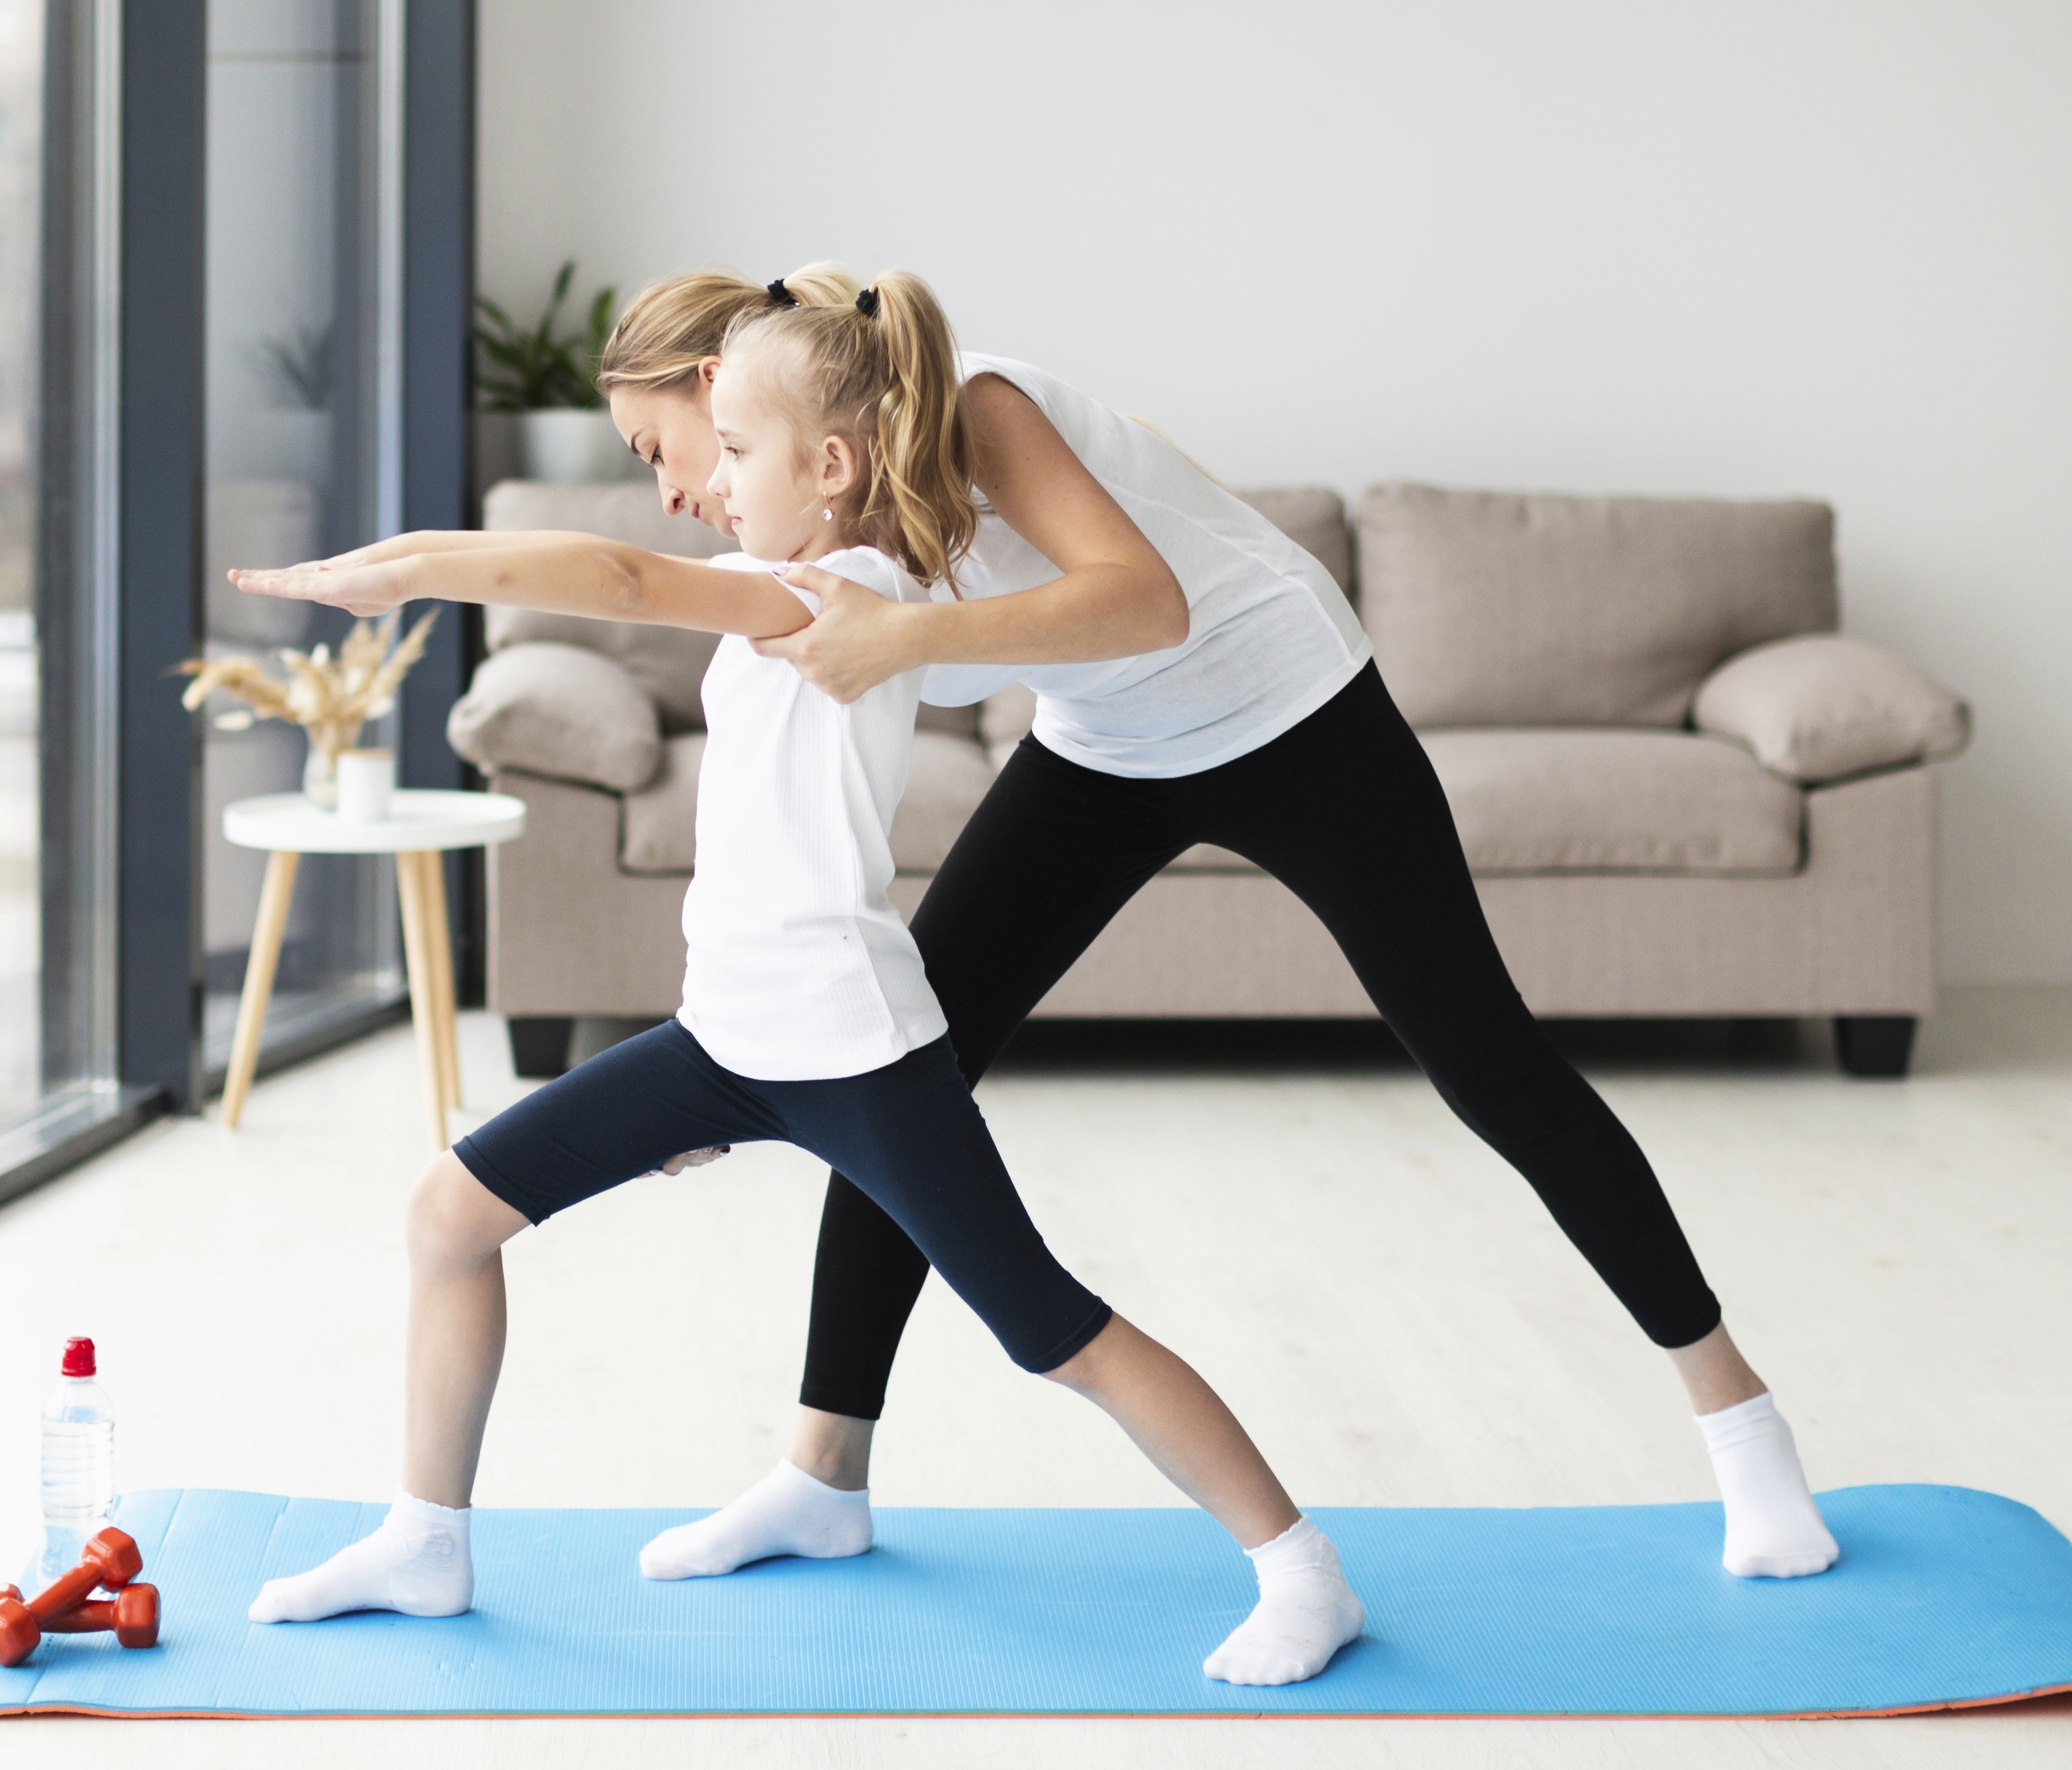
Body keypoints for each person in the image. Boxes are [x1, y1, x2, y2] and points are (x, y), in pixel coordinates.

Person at [588, 265, 1838, 1587]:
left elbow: (1146, 601)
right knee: (905, 1062)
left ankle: (1743, 1431)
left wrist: (898, 640)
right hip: (1108, 744)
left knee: (1487, 1063)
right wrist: (749, 1059)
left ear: (724, 384)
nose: (674, 490)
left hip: (1291, 711)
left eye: (661, 446)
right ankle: (820, 1476)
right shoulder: (805, 502)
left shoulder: (969, 407)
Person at [230, 272, 1366, 1688]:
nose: (708, 480)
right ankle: (424, 1539)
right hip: (725, 1043)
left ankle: (1298, 1570)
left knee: (1052, 1333)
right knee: (450, 1215)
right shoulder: (793, 586)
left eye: (736, 452)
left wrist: (407, 568)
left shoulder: (844, 593)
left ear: (827, 471)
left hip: (854, 1055)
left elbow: (621, 579)